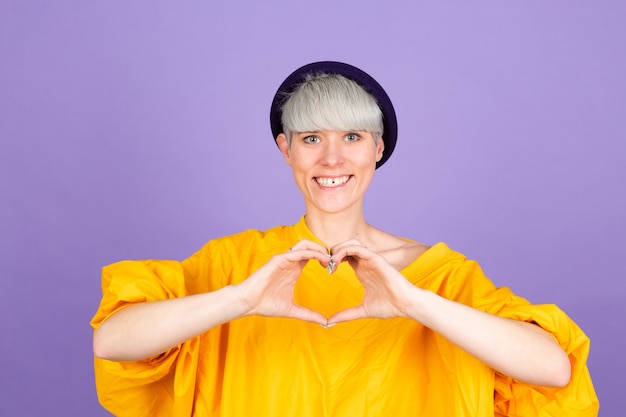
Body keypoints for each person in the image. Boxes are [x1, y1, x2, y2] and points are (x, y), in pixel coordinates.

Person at [91, 61, 599, 416]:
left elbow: (554, 370)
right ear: (285, 149)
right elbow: (112, 340)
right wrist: (239, 299)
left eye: (352, 137)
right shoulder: (236, 263)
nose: (332, 159)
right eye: (312, 138)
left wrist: (415, 303)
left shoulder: (440, 276)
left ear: (377, 148)